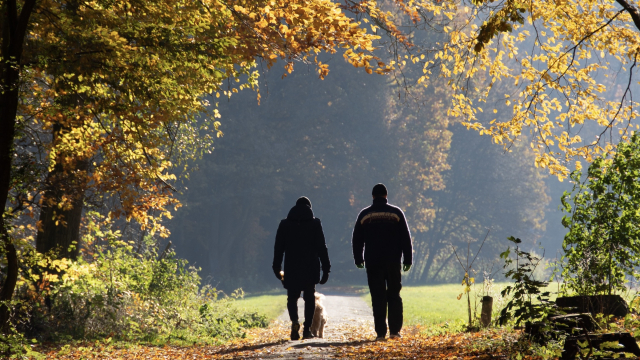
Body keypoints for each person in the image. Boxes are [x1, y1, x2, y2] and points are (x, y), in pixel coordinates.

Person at [352, 184, 413, 340]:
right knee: (394, 294)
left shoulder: (364, 214)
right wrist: (407, 259)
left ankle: (380, 332)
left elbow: (357, 239)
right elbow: (405, 238)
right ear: (386, 195)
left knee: (377, 296)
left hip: (373, 262)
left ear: (373, 196)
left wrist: (358, 258)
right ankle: (395, 331)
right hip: (393, 261)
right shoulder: (396, 213)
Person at [273, 196, 331, 340]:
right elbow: (322, 247)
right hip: (310, 267)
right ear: (309, 208)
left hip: (291, 267)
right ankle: (307, 330)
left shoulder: (284, 224)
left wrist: (276, 267)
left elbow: (278, 248)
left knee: (292, 298)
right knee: (309, 298)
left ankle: (294, 323)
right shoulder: (315, 223)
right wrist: (326, 268)